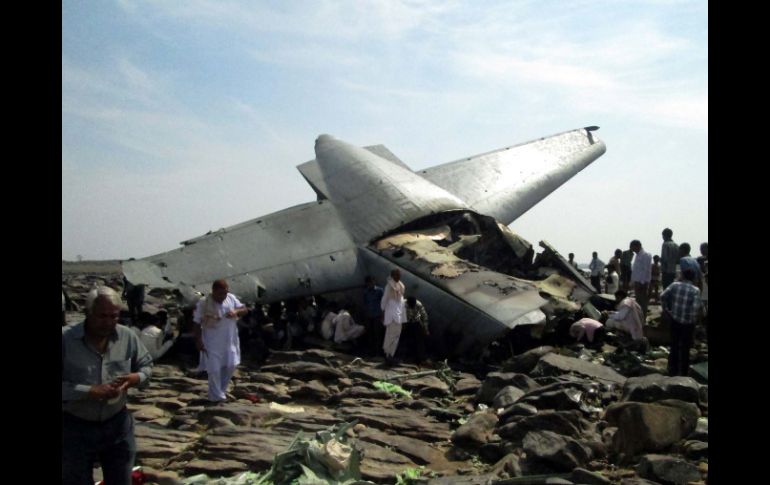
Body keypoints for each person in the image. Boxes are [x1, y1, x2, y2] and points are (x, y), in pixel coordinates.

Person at [62, 286, 153, 485]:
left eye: (114, 316)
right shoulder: (66, 340)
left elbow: (146, 365)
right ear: (88, 313)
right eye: (102, 316)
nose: (109, 322)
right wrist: (89, 391)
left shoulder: (127, 336)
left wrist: (135, 378)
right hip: (74, 427)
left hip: (117, 424)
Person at [194, 279, 248, 403]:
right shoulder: (204, 303)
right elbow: (196, 323)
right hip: (211, 342)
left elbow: (245, 309)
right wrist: (198, 340)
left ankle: (221, 391)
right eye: (220, 294)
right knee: (214, 369)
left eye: (225, 293)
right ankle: (216, 397)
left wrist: (236, 312)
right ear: (213, 292)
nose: (223, 296)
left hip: (230, 340)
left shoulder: (231, 298)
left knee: (231, 365)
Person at [660, 269, 703, 376]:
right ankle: (683, 373)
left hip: (675, 320)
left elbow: (662, 296)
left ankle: (671, 370)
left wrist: (666, 310)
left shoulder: (675, 285)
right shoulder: (695, 290)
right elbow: (695, 308)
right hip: (688, 324)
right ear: (693, 278)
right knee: (685, 348)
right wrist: (693, 321)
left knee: (674, 344)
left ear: (683, 276)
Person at [381, 268, 406, 365]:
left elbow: (401, 303)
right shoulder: (389, 287)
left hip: (398, 315)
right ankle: (388, 355)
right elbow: (384, 300)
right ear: (392, 275)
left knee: (396, 337)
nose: (399, 276)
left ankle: (391, 355)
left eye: (399, 274)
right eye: (396, 275)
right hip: (391, 315)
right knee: (390, 336)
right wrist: (382, 312)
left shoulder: (400, 285)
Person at [362, 276, 385, 355]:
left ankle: (378, 351)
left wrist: (383, 315)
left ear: (374, 282)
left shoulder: (379, 291)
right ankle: (372, 351)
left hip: (377, 315)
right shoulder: (365, 292)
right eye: (369, 283)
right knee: (370, 333)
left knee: (377, 333)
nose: (371, 284)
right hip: (369, 316)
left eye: (372, 282)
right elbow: (365, 304)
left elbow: (383, 303)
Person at [629, 240, 652, 316]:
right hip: (637, 282)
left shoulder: (645, 255)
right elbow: (636, 270)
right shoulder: (638, 255)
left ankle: (643, 319)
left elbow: (646, 270)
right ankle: (639, 318)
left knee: (643, 303)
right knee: (638, 303)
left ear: (637, 246)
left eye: (632, 247)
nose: (631, 249)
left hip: (642, 283)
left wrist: (642, 283)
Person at [405, 296, 430, 364]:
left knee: (419, 341)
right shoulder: (404, 304)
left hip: (417, 323)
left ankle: (420, 358)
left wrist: (426, 329)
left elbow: (424, 316)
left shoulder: (418, 305)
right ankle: (409, 357)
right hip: (407, 323)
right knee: (409, 341)